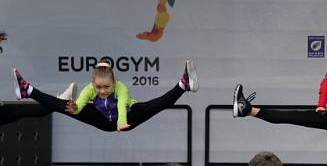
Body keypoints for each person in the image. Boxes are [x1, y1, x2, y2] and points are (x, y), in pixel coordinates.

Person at [12, 59, 198, 132]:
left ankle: (183, 85)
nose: (102, 91)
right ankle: (27, 90)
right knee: (63, 106)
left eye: (106, 87)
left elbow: (121, 103)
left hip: (125, 117)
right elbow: (80, 105)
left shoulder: (121, 88)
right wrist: (74, 108)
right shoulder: (89, 89)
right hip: (102, 120)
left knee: (152, 105)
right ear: (94, 84)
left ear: (114, 82)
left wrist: (121, 122)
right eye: (99, 87)